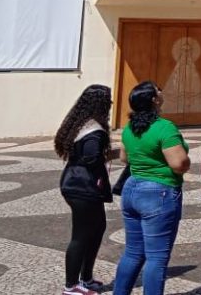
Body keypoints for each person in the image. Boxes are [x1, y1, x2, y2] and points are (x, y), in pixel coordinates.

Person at [114, 82, 190, 295]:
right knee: (157, 257)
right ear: (154, 100)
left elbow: (124, 158)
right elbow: (179, 164)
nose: (161, 91)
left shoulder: (130, 128)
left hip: (132, 188)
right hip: (159, 192)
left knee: (133, 252)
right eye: (158, 90)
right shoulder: (164, 127)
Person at [55, 84, 116, 295]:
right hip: (83, 186)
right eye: (108, 101)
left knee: (97, 228)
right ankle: (71, 285)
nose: (110, 105)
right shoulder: (93, 131)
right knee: (81, 235)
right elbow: (91, 157)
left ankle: (86, 278)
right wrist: (112, 155)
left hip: (74, 181)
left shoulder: (80, 124)